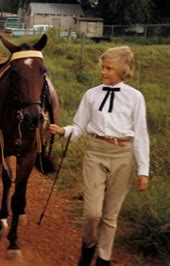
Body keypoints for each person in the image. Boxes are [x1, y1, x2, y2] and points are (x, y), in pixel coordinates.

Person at [49, 46, 149, 266]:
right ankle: (88, 246)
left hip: (123, 154)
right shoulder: (91, 95)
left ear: (122, 70)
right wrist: (63, 131)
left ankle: (104, 259)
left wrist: (143, 170)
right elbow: (80, 127)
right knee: (92, 213)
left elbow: (141, 135)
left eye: (109, 68)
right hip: (96, 151)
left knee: (110, 215)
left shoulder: (135, 97)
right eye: (102, 67)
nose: (103, 72)